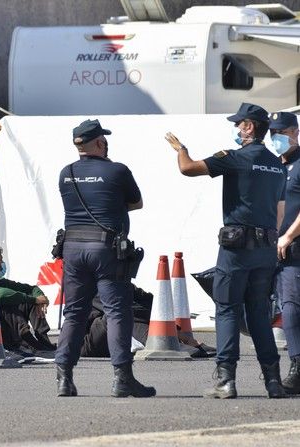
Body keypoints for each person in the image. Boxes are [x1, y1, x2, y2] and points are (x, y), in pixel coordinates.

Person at [165, 102, 286, 399]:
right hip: (266, 249)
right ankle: (273, 381)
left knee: (228, 309)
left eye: (239, 124)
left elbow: (187, 168)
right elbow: (280, 214)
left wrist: (181, 148)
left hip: (237, 250)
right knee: (259, 313)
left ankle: (226, 381)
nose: (236, 128)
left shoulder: (234, 158)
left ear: (249, 127)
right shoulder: (276, 164)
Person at [56, 119, 154, 398]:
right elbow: (136, 203)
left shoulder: (67, 172)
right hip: (106, 249)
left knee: (74, 313)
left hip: (73, 248)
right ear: (100, 142)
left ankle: (64, 377)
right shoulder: (117, 171)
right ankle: (122, 378)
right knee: (116, 312)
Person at [269, 111, 300, 394]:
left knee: (291, 306)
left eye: (280, 132)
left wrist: (288, 236)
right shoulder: (274, 166)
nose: (275, 138)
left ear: (295, 133)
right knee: (284, 306)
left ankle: (297, 366)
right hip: (274, 249)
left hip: (294, 249)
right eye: (272, 133)